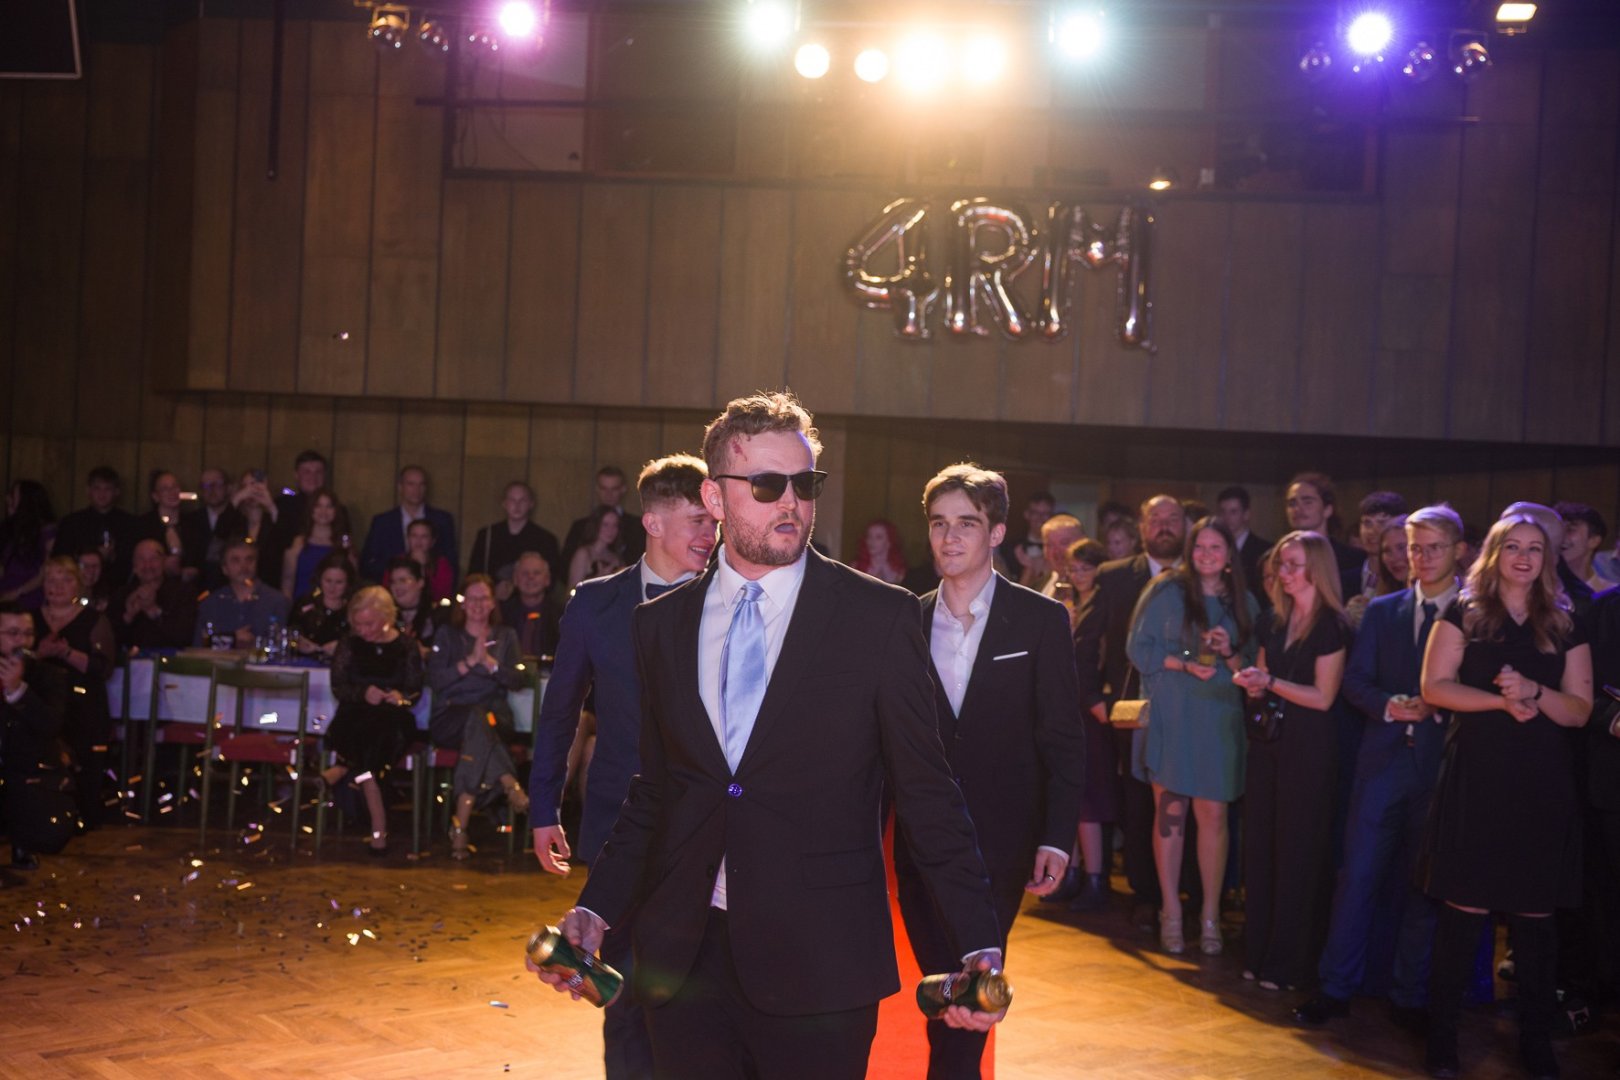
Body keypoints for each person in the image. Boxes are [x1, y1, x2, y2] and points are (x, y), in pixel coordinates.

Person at [533, 393, 1004, 1080]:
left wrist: (977, 941)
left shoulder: (878, 619)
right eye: (766, 485)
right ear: (714, 497)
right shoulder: (660, 626)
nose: (791, 503)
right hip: (685, 964)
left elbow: (929, 793)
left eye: (804, 484)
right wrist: (596, 908)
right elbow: (656, 791)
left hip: (822, 965)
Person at [528, 452, 716, 1080]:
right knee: (625, 990)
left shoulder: (730, 602)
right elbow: (560, 715)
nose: (709, 535)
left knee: (698, 990)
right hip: (618, 824)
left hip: (707, 827)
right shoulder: (595, 604)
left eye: (714, 522)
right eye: (696, 521)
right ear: (653, 523)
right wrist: (544, 809)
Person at [903, 463, 1085, 1078]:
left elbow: (1062, 738)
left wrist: (1056, 836)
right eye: (939, 523)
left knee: (972, 985)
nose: (950, 537)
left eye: (966, 523)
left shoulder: (1039, 619)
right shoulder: (905, 621)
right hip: (919, 841)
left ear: (997, 532)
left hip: (1001, 842)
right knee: (942, 991)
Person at [1416, 514, 1592, 1079]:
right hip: (1478, 777)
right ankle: (1441, 1042)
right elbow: (1433, 687)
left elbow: (1579, 710)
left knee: (1535, 920)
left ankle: (1536, 1042)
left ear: (1547, 558)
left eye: (1535, 548)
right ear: (1493, 554)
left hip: (1541, 784)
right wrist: (1500, 701)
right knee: (1463, 912)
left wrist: (1534, 691)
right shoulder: (1464, 611)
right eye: (1512, 546)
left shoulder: (1565, 619)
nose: (1523, 556)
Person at [1294, 505, 1465, 1031]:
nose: (1422, 557)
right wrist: (1390, 704)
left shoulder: (1475, 613)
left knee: (1423, 888)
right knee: (1357, 877)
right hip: (1383, 760)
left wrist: (1440, 704)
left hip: (1441, 765)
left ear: (1458, 551)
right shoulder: (1385, 610)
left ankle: (1409, 996)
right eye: (1414, 548)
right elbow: (1355, 681)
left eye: (1434, 547)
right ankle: (1335, 988)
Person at [1126, 517, 1259, 956]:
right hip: (1173, 713)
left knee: (1214, 818)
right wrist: (1183, 664)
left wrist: (1228, 651)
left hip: (1220, 717)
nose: (1206, 554)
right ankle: (1170, 911)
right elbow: (1137, 648)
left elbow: (1253, 668)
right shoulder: (1165, 590)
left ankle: (1210, 916)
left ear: (1229, 555)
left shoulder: (1245, 602)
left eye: (1215, 547)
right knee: (1170, 816)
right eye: (1199, 546)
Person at [1233, 530, 1351, 992]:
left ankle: (1289, 963)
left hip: (1310, 749)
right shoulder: (1273, 620)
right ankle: (1259, 954)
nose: (1283, 573)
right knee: (1261, 849)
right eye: (1281, 564)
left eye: (1293, 565)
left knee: (1298, 854)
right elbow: (1265, 679)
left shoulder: (1332, 626)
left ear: (1316, 570)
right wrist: (1253, 682)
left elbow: (1323, 697)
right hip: (1269, 745)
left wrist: (1270, 683)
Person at [1096, 494, 1187, 929]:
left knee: (1189, 803)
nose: (1165, 526)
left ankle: (1190, 895)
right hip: (1134, 708)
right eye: (1156, 519)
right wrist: (1094, 696)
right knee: (1138, 803)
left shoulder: (1204, 574)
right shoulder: (1114, 576)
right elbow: (1092, 641)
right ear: (1142, 526)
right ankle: (1146, 894)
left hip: (1192, 708)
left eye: (1173, 518)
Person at [426, 575, 527, 860]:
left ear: (493, 602)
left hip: (494, 717)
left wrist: (492, 665)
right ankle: (508, 781)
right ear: (462, 602)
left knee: (479, 721)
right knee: (475, 719)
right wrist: (470, 662)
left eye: (484, 598)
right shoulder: (447, 634)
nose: (478, 604)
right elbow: (435, 680)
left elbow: (518, 680)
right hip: (451, 716)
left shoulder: (506, 635)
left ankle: (460, 825)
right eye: (472, 598)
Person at [324, 586, 424, 857]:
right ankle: (379, 827)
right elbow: (339, 686)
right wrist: (363, 693)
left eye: (369, 624)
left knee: (378, 733)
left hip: (392, 718)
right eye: (357, 624)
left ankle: (343, 767)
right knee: (364, 736)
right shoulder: (349, 644)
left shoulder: (405, 646)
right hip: (354, 713)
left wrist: (399, 696)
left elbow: (414, 689)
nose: (362, 630)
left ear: (387, 618)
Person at [1052, 538, 1119, 913]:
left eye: (1085, 568)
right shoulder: (1072, 605)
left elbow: (1094, 661)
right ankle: (1071, 874)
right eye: (1073, 569)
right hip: (1070, 708)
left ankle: (1095, 878)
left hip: (1090, 712)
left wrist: (1097, 701)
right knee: (1071, 796)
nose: (1078, 575)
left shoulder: (1104, 607)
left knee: (1089, 797)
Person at [30, 557, 116, 827]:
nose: (58, 586)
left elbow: (104, 667)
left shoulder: (94, 620)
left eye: (66, 580)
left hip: (83, 706)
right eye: (51, 580)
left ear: (78, 584)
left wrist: (65, 653)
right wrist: (39, 654)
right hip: (41, 703)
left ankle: (82, 817)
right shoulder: (29, 619)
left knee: (84, 764)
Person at [0, 603, 72, 870]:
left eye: (28, 634)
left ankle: (23, 842)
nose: (22, 641)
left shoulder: (48, 675)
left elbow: (51, 724)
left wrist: (18, 690)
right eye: (13, 633)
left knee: (49, 831)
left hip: (25, 773)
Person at [359, 465, 458, 583]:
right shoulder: (382, 522)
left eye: (421, 485)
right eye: (411, 484)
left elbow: (451, 561)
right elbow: (368, 564)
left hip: (432, 587)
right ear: (400, 487)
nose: (416, 490)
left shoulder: (442, 520)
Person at [467, 480, 562, 599]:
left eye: (522, 500)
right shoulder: (487, 535)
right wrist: (492, 589)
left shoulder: (546, 539)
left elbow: (551, 579)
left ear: (531, 504)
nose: (517, 505)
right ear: (504, 503)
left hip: (530, 601)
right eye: (512, 500)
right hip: (491, 600)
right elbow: (474, 574)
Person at [53, 466, 138, 590]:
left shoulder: (129, 523)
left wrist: (113, 556)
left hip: (118, 587)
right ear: (88, 491)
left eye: (107, 489)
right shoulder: (71, 522)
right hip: (77, 586)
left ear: (116, 492)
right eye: (97, 488)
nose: (102, 494)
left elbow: (134, 559)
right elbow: (60, 558)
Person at [194, 539, 291, 648]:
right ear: (224, 568)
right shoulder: (210, 604)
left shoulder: (276, 601)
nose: (244, 566)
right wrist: (232, 640)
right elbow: (199, 646)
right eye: (235, 560)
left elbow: (283, 646)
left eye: (249, 560)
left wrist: (254, 644)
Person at [1284, 473, 1363, 605]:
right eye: (1292, 503)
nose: (1297, 509)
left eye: (1307, 502)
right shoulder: (1280, 559)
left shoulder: (1353, 559)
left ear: (1327, 509)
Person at [112, 539, 198, 651]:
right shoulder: (121, 594)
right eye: (141, 560)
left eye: (154, 559)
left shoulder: (184, 592)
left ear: (164, 562)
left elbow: (185, 638)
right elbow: (108, 640)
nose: (148, 565)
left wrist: (153, 611)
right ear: (134, 565)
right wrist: (128, 616)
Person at [562, 465, 646, 568]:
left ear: (623, 489)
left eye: (614, 489)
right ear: (597, 489)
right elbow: (565, 566)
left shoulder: (637, 527)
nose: (608, 494)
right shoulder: (580, 526)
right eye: (603, 488)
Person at [216, 469, 285, 593]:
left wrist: (270, 505)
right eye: (246, 486)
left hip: (269, 586)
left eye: (255, 485)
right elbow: (220, 531)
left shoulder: (274, 518)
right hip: (237, 587)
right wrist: (237, 498)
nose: (251, 491)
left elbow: (284, 539)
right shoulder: (236, 520)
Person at [280, 488, 353, 602]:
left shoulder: (343, 543)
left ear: (335, 511)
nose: (323, 511)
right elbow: (287, 583)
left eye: (329, 506)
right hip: (301, 605)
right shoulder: (298, 542)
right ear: (311, 510)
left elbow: (352, 580)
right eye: (318, 506)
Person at [134, 471, 199, 584]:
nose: (172, 492)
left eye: (175, 487)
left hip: (187, 586)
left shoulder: (193, 523)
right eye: (165, 489)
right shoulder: (142, 525)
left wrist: (193, 571)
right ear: (155, 496)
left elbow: (199, 559)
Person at [0, 480, 57, 608]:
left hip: (30, 594)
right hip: (5, 591)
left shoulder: (47, 531)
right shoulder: (9, 529)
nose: (8, 499)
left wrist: (17, 592)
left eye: (13, 495)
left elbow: (46, 571)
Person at [1218, 485, 1272, 609]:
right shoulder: (1215, 550)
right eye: (1222, 512)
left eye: (1233, 512)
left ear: (1246, 514)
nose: (1226, 518)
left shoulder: (1265, 551)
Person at [289, 554, 353, 659]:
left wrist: (343, 647)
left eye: (339, 582)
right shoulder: (304, 603)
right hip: (304, 661)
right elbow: (290, 632)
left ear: (348, 583)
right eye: (328, 581)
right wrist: (297, 642)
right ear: (320, 579)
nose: (332, 587)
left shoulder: (354, 608)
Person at [498, 552, 560, 659]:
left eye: (537, 573)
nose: (531, 577)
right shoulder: (501, 614)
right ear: (515, 579)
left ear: (547, 579)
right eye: (525, 573)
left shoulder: (562, 615)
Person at [1556, 501, 1619, 594]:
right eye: (1558, 529)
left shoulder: (1611, 594)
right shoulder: (1540, 590)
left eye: (1570, 530)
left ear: (1593, 541)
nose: (1561, 535)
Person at [186, 467, 233, 588]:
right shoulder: (191, 520)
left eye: (217, 484)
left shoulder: (240, 518)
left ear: (228, 488)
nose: (212, 490)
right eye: (206, 486)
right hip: (199, 586)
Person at [996, 489, 1054, 583]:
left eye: (1045, 514)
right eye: (1035, 513)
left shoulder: (1056, 551)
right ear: (1027, 515)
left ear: (1051, 517)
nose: (1040, 518)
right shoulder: (1008, 548)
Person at [386, 556, 442, 650]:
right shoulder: (385, 615)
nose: (397, 586)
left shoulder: (436, 616)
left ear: (420, 582)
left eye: (403, 580)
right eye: (393, 582)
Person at [273, 450, 327, 546]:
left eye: (318, 472)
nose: (313, 477)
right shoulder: (283, 505)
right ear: (296, 475)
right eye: (307, 472)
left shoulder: (337, 510)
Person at [566, 504, 627, 591]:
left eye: (615, 525)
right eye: (605, 525)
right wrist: (598, 578)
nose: (610, 530)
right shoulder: (584, 554)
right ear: (596, 526)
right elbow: (572, 591)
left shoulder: (616, 558)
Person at [1032, 514, 1085, 595]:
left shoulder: (1092, 588)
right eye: (1049, 545)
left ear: (1083, 542)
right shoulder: (1037, 587)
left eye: (1064, 543)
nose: (1056, 552)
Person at [405, 518, 455, 603]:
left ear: (432, 541)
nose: (418, 541)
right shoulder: (397, 562)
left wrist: (422, 567)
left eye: (424, 536)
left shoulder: (442, 564)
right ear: (408, 539)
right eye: (414, 536)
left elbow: (442, 595)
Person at [850, 519, 907, 585]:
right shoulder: (855, 566)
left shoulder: (899, 571)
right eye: (869, 536)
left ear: (889, 542)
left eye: (878, 537)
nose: (872, 541)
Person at [76, 549, 111, 613]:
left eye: (95, 566)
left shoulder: (105, 598)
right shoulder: (64, 596)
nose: (90, 571)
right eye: (85, 566)